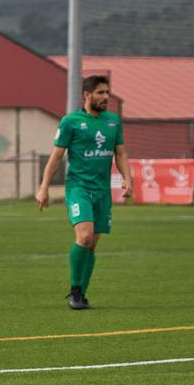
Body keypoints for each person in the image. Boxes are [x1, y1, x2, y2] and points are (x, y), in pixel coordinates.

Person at [36, 75, 132, 310]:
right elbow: (56, 156)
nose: (105, 97)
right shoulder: (70, 122)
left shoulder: (112, 121)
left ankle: (82, 294)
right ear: (87, 95)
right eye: (100, 93)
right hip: (78, 188)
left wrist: (128, 179)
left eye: (107, 93)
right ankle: (75, 291)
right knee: (85, 236)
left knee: (92, 244)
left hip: (102, 191)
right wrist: (43, 187)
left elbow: (120, 153)